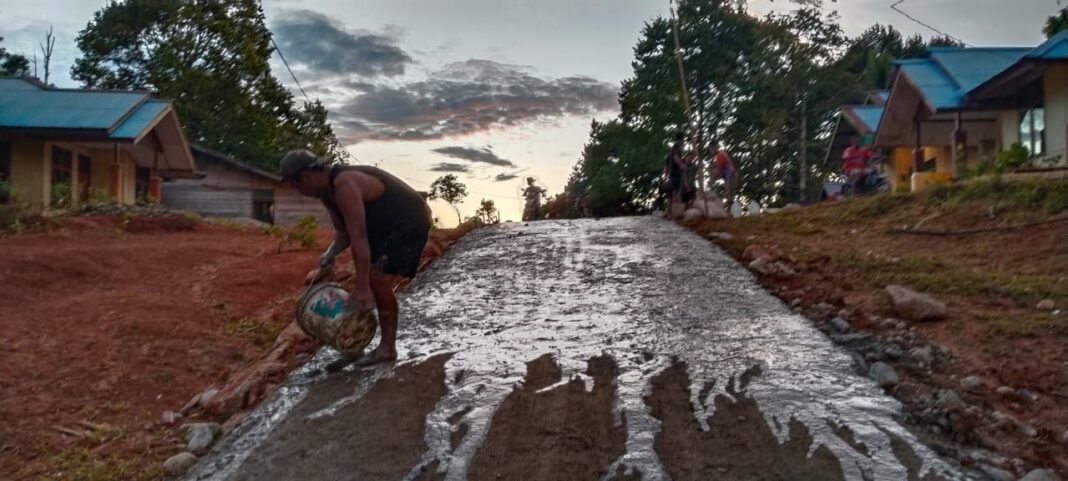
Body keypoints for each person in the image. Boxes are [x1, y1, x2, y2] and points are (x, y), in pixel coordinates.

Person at [279, 150, 431, 368]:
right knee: (363, 281)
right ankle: (354, 344)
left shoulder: (345, 184)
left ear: (306, 178)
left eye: (296, 187)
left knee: (376, 280)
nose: (300, 192)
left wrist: (362, 286)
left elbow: (358, 236)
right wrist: (330, 254)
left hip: (410, 220)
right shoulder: (326, 194)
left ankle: (387, 349)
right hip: (383, 225)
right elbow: (343, 233)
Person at [664, 131, 688, 217]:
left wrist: (665, 175)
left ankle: (670, 212)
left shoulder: (673, 149)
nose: (684, 141)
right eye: (683, 139)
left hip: (673, 173)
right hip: (675, 172)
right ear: (681, 139)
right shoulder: (676, 147)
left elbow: (667, 165)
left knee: (674, 192)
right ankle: (674, 213)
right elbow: (675, 157)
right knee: (676, 192)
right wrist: (682, 165)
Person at [709, 140, 737, 214]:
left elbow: (720, 168)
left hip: (730, 174)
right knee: (729, 193)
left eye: (712, 148)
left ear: (715, 147)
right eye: (710, 149)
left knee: (729, 193)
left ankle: (729, 211)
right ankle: (728, 211)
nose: (711, 150)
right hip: (727, 175)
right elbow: (719, 168)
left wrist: (712, 180)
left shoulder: (721, 154)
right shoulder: (717, 157)